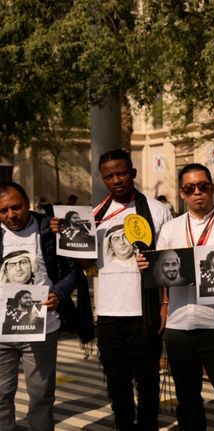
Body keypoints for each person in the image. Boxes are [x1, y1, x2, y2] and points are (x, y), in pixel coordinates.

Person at [51, 149, 172, 430]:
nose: (116, 179)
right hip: (107, 313)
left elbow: (168, 263)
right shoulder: (94, 216)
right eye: (109, 176)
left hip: (145, 313)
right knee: (117, 385)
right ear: (103, 179)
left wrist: (165, 305)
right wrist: (66, 238)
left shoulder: (158, 210)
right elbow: (90, 267)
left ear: (133, 173)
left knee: (148, 383)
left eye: (120, 173)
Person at [138, 163, 214, 431]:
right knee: (187, 399)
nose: (197, 193)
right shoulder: (170, 229)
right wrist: (148, 267)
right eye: (190, 188)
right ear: (182, 194)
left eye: (203, 186)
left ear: (212, 188)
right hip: (179, 325)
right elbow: (160, 274)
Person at [0, 181, 81, 430]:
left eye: (17, 207)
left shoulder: (49, 229)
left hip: (41, 329)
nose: (11, 215)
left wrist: (58, 293)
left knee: (41, 397)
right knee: (1, 398)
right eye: (3, 210)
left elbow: (75, 271)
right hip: (1, 333)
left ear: (28, 204)